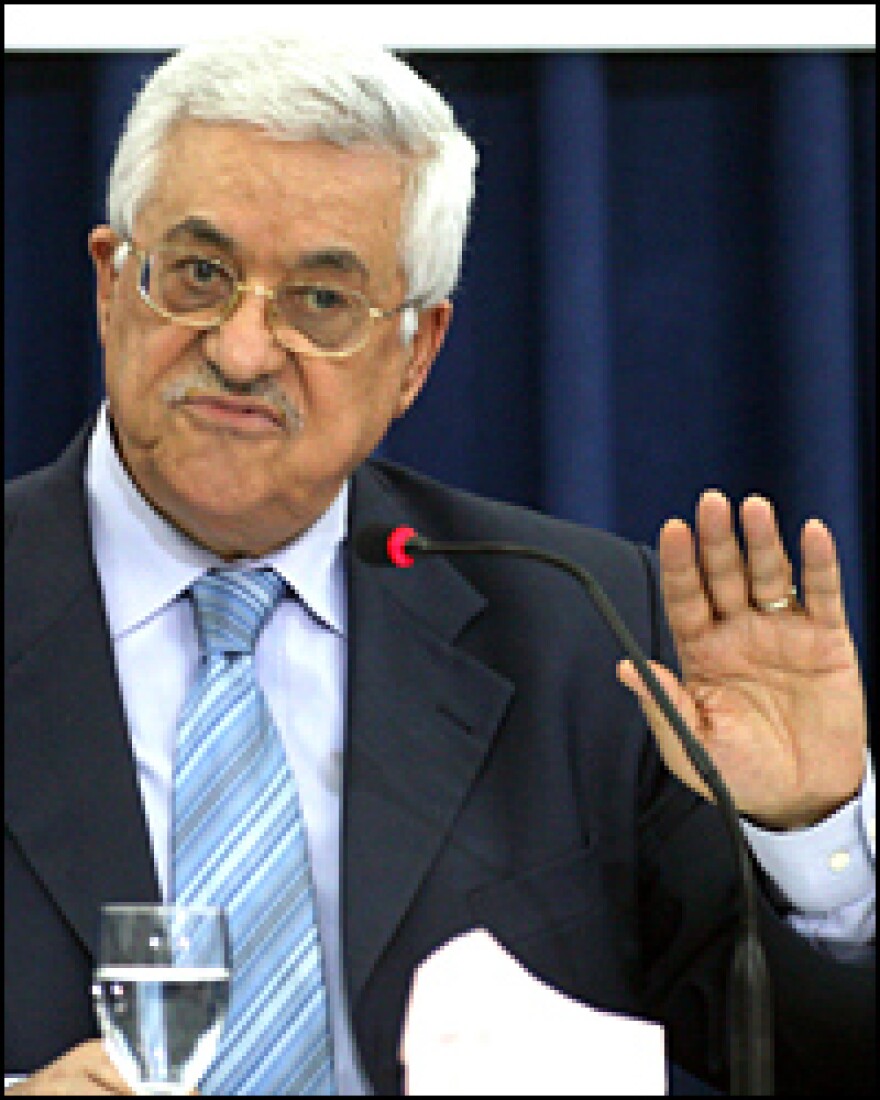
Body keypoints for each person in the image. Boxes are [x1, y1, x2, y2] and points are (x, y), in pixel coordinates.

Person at [4, 34, 875, 1097]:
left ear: (414, 353)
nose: (239, 349)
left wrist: (805, 839)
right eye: (198, 274)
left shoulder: (583, 630)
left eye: (320, 300)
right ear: (111, 284)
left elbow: (804, 1059)